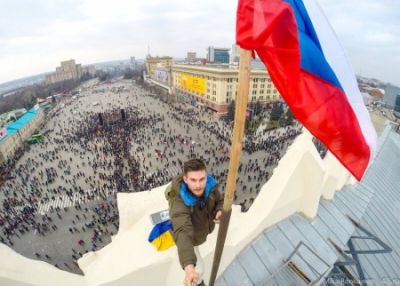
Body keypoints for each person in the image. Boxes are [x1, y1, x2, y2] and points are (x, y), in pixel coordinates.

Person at [169, 158, 223, 286]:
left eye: (201, 179)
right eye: (193, 180)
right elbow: (183, 232)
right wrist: (189, 269)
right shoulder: (179, 202)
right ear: (185, 179)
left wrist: (220, 210)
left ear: (206, 176)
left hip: (201, 232)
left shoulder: (210, 187)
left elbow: (220, 200)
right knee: (199, 270)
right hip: (191, 237)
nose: (198, 185)